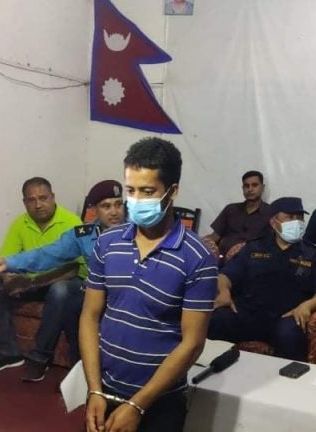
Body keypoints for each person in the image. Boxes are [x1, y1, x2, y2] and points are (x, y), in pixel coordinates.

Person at [80, 137, 217, 432]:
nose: (137, 201)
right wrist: (93, 389)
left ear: (172, 191)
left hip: (160, 401)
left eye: (148, 191)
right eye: (131, 191)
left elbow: (192, 343)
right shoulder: (107, 243)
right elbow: (90, 316)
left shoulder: (198, 257)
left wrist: (138, 405)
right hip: (105, 390)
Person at [0, 179, 125, 377]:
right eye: (106, 206)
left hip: (128, 296)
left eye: (118, 204)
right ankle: (80, 372)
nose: (114, 212)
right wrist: (7, 263)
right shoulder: (84, 234)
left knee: (68, 294)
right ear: (95, 210)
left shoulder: (139, 231)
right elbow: (48, 254)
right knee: (76, 306)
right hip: (98, 294)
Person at [208, 196, 316, 361]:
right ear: (273, 222)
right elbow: (225, 275)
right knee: (215, 319)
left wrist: (308, 305)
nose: (296, 222)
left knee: (290, 334)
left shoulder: (313, 253)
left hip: (285, 317)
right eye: (290, 217)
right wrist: (224, 292)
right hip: (248, 313)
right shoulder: (254, 247)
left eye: (299, 218)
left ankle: (287, 377)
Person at [206, 170, 271, 257]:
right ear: (242, 188)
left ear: (262, 187)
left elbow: (270, 246)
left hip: (251, 259)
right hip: (221, 257)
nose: (250, 189)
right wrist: (207, 242)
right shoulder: (231, 209)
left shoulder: (270, 213)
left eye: (254, 185)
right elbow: (215, 236)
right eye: (246, 186)